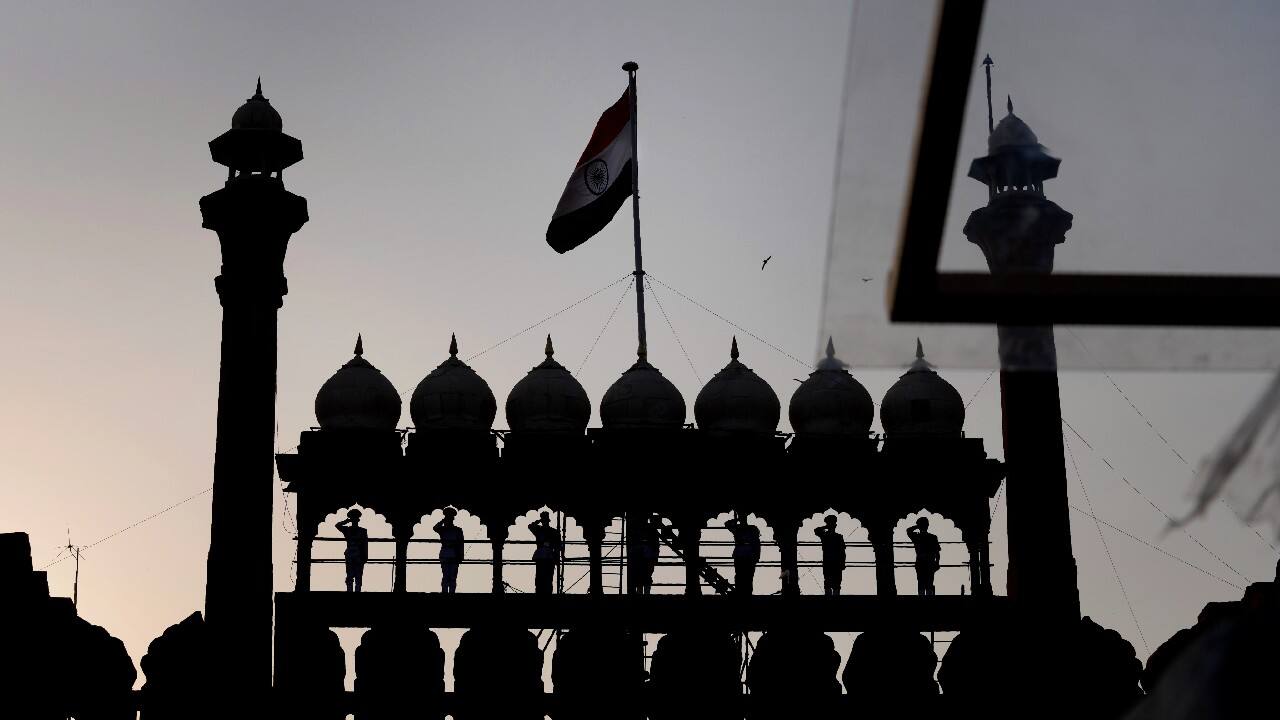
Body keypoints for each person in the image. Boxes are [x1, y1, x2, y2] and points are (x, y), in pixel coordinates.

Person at [726, 516, 761, 596]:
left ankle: (745, 593)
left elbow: (757, 542)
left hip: (746, 554)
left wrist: (757, 556)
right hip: (743, 554)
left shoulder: (748, 528)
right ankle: (742, 592)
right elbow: (727, 524)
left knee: (746, 576)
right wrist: (738, 519)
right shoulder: (741, 528)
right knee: (741, 575)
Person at [336, 508, 369, 593]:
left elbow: (365, 544)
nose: (354, 520)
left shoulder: (362, 531)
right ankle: (350, 590)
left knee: (358, 575)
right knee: (350, 574)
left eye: (355, 518)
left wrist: (365, 556)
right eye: (353, 518)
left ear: (358, 520)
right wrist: (346, 521)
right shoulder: (347, 529)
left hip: (358, 554)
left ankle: (357, 590)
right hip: (350, 553)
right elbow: (337, 525)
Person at [529, 510, 562, 595]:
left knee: (547, 577)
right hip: (545, 555)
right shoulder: (541, 530)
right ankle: (542, 592)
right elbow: (530, 526)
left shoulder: (542, 530)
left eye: (544, 520)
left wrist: (539, 521)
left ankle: (545, 593)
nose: (544, 522)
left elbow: (558, 545)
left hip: (547, 556)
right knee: (541, 577)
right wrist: (538, 521)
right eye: (543, 521)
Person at [433, 507, 465, 594]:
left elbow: (461, 543)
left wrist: (461, 555)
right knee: (446, 575)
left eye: (450, 517)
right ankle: (445, 591)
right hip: (446, 553)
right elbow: (435, 527)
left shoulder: (457, 530)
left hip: (454, 553)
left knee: (452, 576)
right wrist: (444, 520)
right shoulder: (443, 529)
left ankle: (451, 592)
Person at [906, 517, 941, 596]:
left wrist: (917, 526)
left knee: (921, 581)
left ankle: (922, 596)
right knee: (929, 580)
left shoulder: (917, 537)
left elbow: (908, 530)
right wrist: (937, 562)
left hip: (921, 561)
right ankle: (928, 595)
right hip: (930, 561)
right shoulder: (933, 537)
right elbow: (937, 552)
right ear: (928, 525)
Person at [815, 515, 845, 596]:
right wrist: (827, 526)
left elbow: (842, 551)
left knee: (836, 582)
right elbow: (816, 530)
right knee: (828, 581)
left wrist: (843, 562)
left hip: (835, 562)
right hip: (829, 561)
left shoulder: (838, 536)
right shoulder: (825, 535)